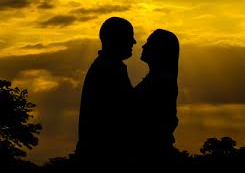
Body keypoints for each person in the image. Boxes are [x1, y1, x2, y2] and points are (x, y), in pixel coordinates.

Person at [75, 17, 136, 166]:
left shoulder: (106, 66)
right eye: (129, 37)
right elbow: (127, 112)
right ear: (116, 39)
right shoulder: (110, 68)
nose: (133, 42)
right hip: (105, 158)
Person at [133, 29, 180, 164]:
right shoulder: (158, 79)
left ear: (160, 50)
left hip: (151, 156)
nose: (143, 46)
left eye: (149, 43)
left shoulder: (161, 82)